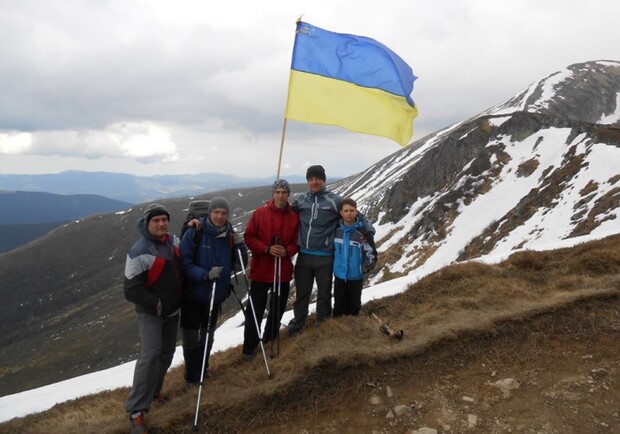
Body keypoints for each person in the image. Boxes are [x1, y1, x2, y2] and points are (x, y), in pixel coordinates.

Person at [287, 165, 375, 336]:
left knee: (324, 294)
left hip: (326, 256)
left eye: (317, 178)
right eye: (311, 179)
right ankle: (297, 326)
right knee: (302, 294)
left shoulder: (335, 201)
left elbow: (359, 215)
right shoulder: (301, 200)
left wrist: (369, 231)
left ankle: (323, 325)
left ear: (324, 180)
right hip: (304, 255)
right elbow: (287, 214)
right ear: (307, 181)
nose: (314, 182)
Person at [123, 203, 183, 434]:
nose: (161, 224)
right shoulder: (139, 251)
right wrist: (155, 303)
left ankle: (154, 392)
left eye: (164, 219)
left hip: (173, 311)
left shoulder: (173, 242)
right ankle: (136, 411)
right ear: (147, 224)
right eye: (156, 220)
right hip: (151, 314)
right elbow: (130, 290)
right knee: (149, 356)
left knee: (167, 354)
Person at [180, 197, 245, 388]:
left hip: (215, 296)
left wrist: (240, 246)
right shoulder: (195, 233)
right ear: (209, 213)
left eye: (224, 213)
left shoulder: (230, 234)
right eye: (216, 212)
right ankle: (191, 377)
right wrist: (206, 275)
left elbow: (240, 264)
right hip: (192, 295)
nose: (220, 216)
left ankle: (203, 370)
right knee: (191, 338)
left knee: (207, 337)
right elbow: (184, 264)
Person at [241, 179, 300, 359]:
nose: (281, 195)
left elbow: (297, 242)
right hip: (261, 270)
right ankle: (249, 349)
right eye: (278, 192)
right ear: (273, 194)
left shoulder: (294, 217)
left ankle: (269, 339)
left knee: (277, 310)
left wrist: (287, 251)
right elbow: (249, 237)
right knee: (255, 312)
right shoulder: (260, 213)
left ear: (288, 194)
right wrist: (266, 249)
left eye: (284, 192)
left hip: (282, 272)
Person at [333, 198, 377, 317]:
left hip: (356, 277)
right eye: (346, 210)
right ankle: (336, 331)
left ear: (357, 212)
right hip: (339, 276)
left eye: (352, 210)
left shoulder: (363, 233)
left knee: (354, 306)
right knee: (338, 306)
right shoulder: (335, 231)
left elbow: (371, 254)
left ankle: (353, 330)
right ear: (341, 213)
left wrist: (361, 270)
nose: (349, 213)